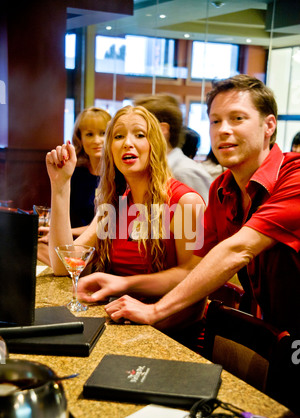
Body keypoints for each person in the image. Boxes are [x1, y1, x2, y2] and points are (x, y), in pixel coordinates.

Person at [99, 74, 300, 335]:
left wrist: (153, 311)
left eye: (238, 118)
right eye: (215, 121)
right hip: (269, 332)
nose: (223, 129)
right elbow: (196, 266)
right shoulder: (221, 188)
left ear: (269, 125)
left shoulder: (294, 175)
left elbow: (238, 249)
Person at [47, 105, 206, 330]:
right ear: (111, 149)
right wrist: (60, 185)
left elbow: (193, 277)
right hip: (122, 323)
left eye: (139, 135)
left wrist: (124, 283)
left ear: (156, 144)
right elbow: (64, 265)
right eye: (118, 136)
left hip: (172, 333)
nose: (127, 143)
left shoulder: (185, 202)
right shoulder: (115, 204)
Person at [38, 106, 111, 264]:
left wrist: (63, 232)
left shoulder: (116, 177)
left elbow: (107, 225)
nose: (97, 140)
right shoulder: (75, 173)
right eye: (89, 134)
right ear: (80, 139)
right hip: (70, 243)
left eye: (103, 133)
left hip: (101, 247)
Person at [134, 94, 213, 204]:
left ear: (162, 130)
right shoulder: (157, 169)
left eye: (138, 132)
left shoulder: (185, 171)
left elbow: (205, 218)